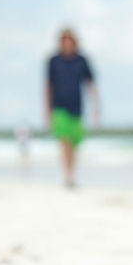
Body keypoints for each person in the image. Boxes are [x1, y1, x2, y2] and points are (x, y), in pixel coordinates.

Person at [45, 27, 100, 187]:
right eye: (64, 41)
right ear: (60, 43)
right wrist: (47, 112)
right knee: (65, 141)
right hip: (59, 107)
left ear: (75, 43)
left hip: (77, 108)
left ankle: (71, 174)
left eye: (70, 41)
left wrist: (96, 107)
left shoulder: (82, 61)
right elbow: (48, 87)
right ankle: (68, 176)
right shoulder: (53, 61)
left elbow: (90, 84)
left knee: (75, 144)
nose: (67, 44)